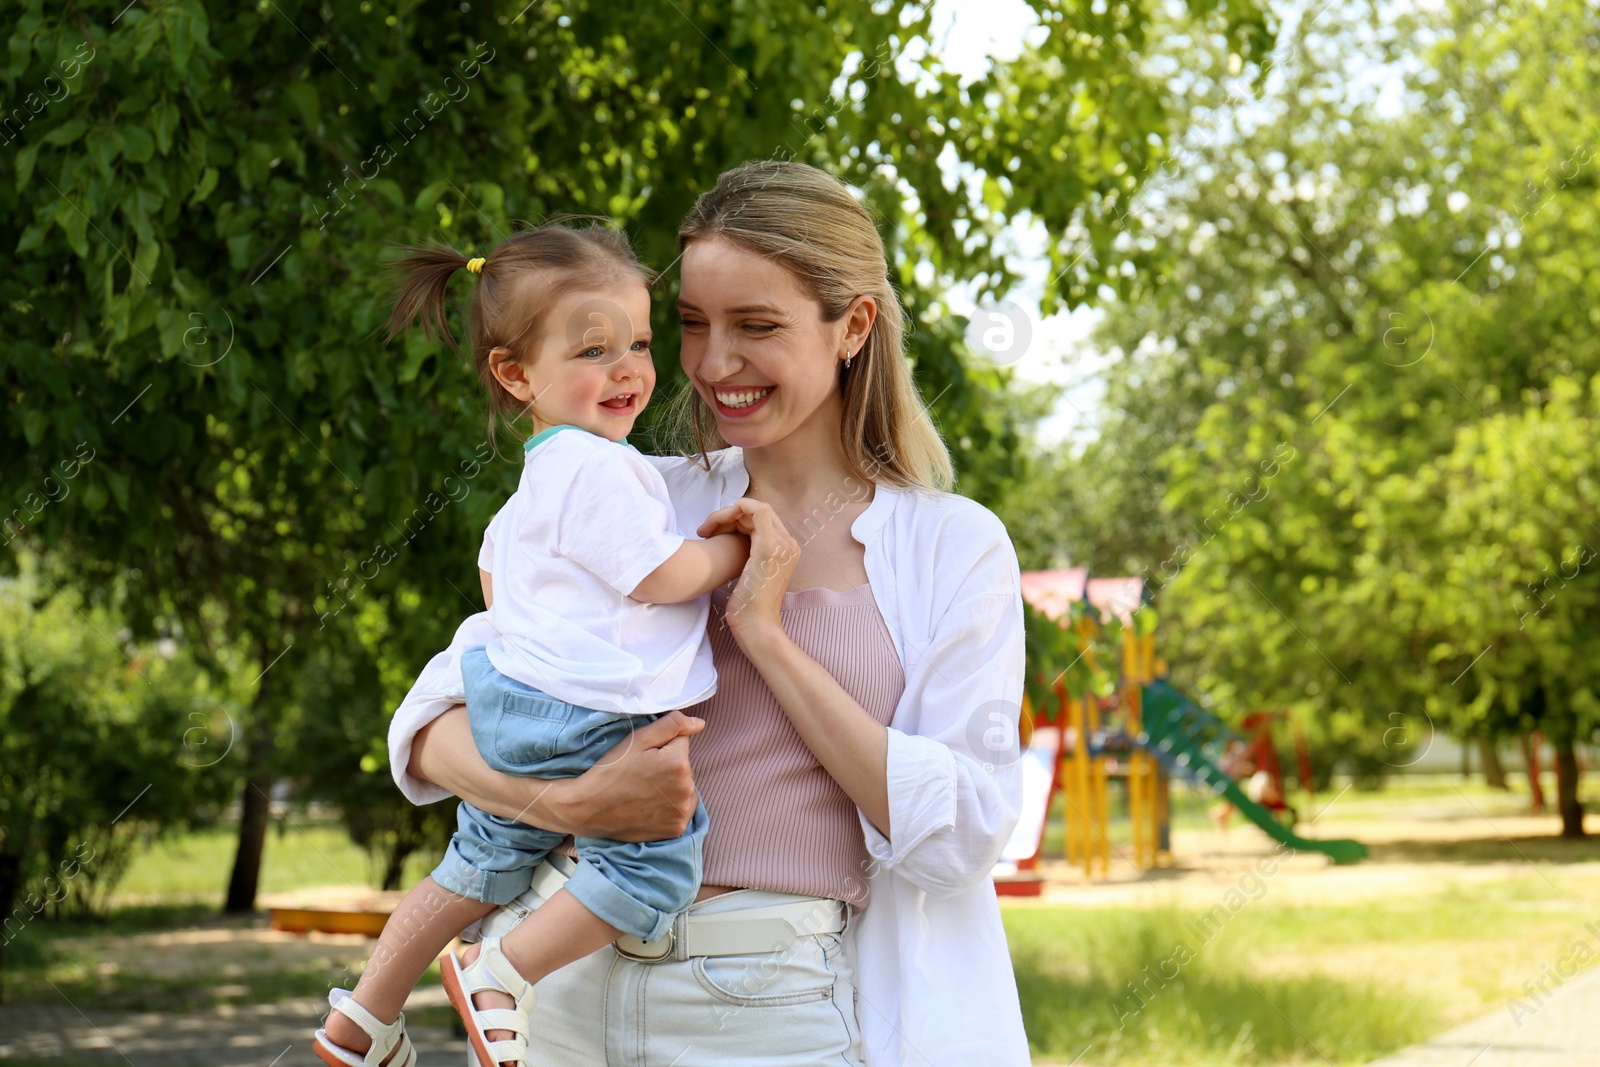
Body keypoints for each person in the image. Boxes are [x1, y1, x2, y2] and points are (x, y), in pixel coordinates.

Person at [389, 161, 1032, 1065]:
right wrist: (567, 798)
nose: (714, 363)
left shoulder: (953, 546)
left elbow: (961, 832)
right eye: (691, 325)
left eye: (756, 326)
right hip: (560, 990)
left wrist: (764, 632)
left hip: (767, 1005)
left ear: (853, 325)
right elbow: (431, 722)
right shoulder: (636, 499)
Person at [314, 223, 750, 1067]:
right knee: (656, 863)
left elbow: (496, 590)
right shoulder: (599, 468)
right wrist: (736, 549)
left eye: (640, 342)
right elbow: (661, 573)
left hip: (510, 703)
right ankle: (501, 970)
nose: (627, 368)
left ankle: (363, 1014)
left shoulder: (532, 488)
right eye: (593, 349)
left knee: (481, 857)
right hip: (582, 716)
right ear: (516, 375)